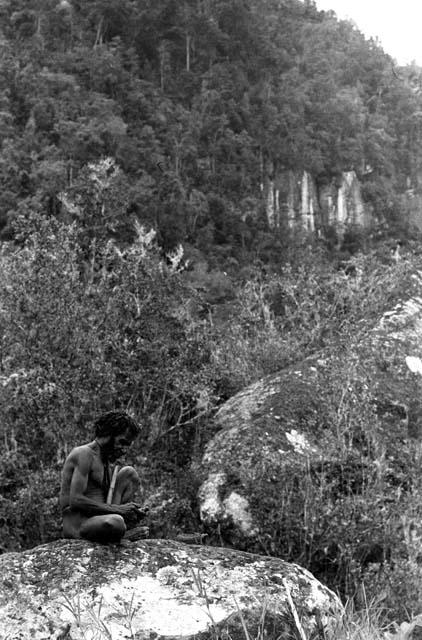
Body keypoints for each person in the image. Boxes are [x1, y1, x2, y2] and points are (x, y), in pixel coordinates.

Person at [60, 410, 148, 543]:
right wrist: (119, 510)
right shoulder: (84, 454)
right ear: (108, 435)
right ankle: (121, 535)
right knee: (116, 521)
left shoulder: (105, 461)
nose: (124, 450)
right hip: (78, 525)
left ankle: (121, 527)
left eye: (127, 445)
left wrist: (131, 513)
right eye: (122, 442)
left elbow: (105, 501)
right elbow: (75, 500)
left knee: (129, 474)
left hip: (99, 518)